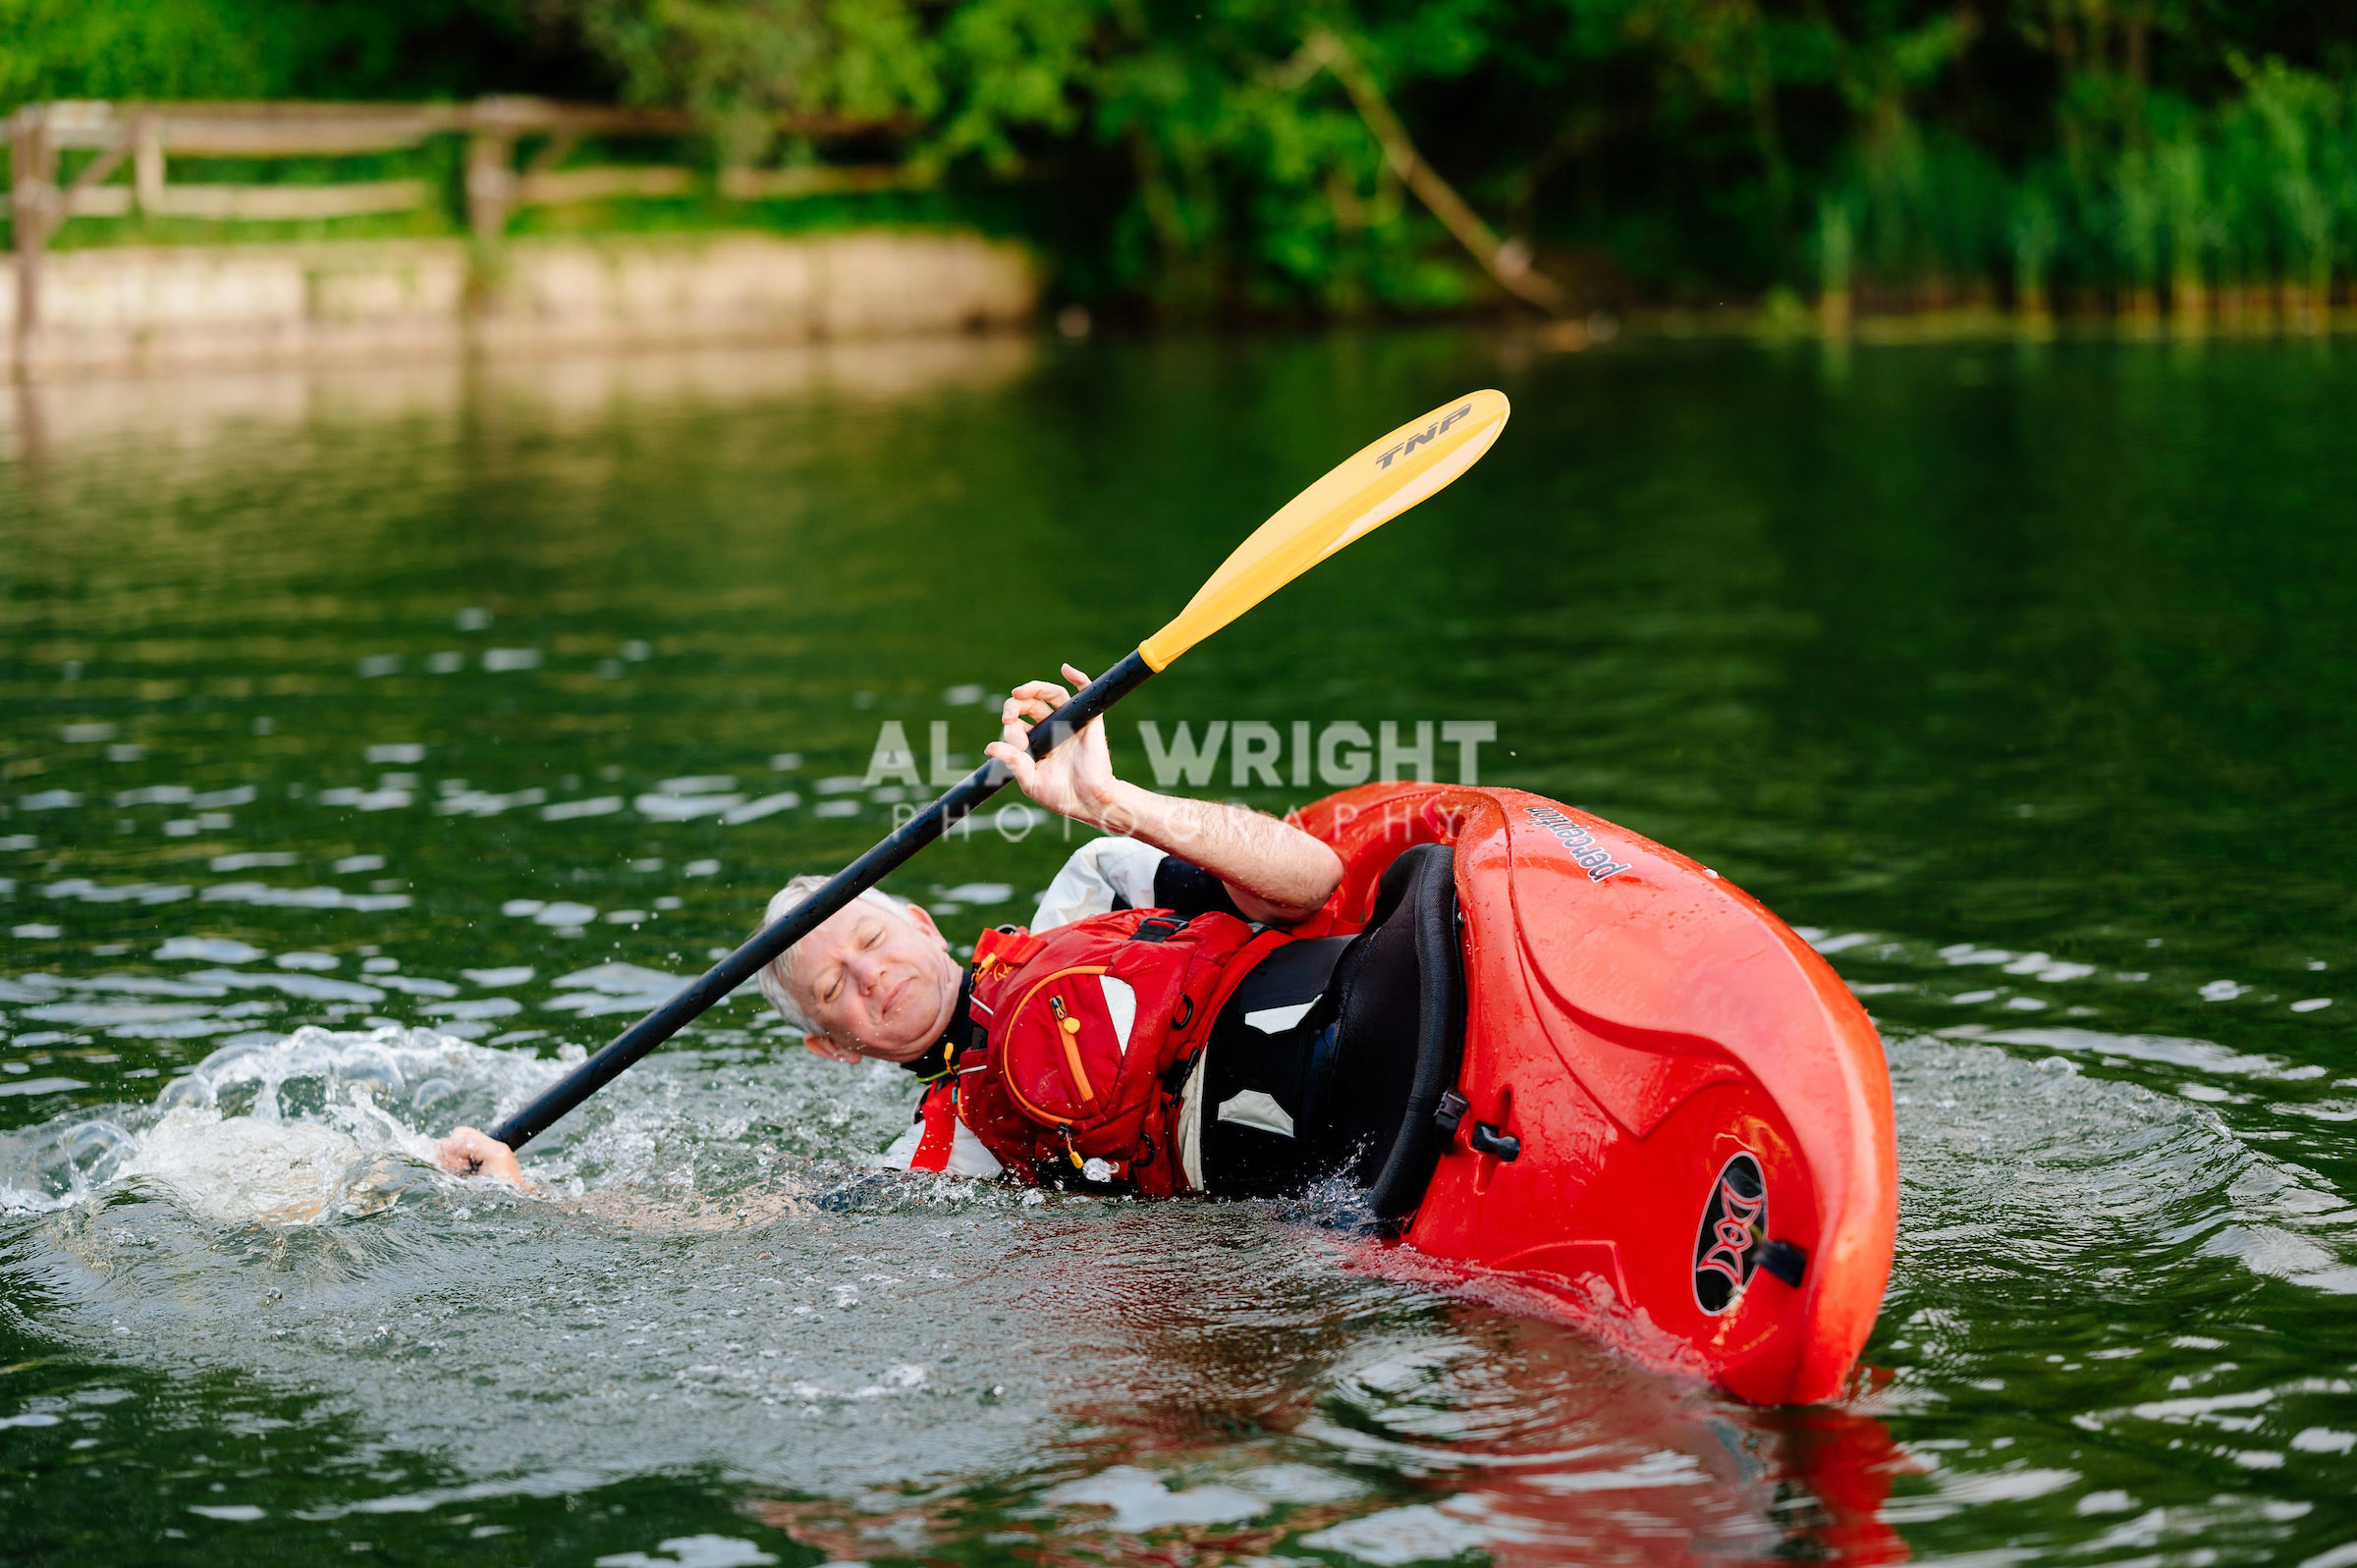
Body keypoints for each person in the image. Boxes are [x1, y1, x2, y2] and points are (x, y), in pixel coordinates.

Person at [441, 664, 1375, 1194]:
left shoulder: (1096, 884)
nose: (870, 974)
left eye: (869, 940)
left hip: (1373, 1009)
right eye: (833, 987)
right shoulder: (941, 1159)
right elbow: (743, 1224)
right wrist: (525, 1190)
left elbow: (1313, 877)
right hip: (1345, 1166)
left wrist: (1111, 800)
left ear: (921, 922)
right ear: (832, 1046)